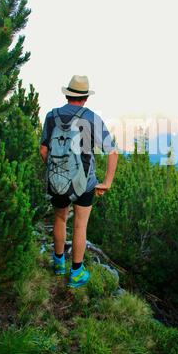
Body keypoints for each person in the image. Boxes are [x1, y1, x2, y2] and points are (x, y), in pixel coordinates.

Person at [39, 75, 118, 288]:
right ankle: (76, 273)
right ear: (85, 98)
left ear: (67, 94)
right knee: (80, 225)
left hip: (57, 180)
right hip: (85, 182)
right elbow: (112, 151)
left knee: (60, 218)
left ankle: (58, 264)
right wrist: (107, 182)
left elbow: (43, 149)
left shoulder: (51, 116)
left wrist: (55, 171)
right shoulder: (91, 117)